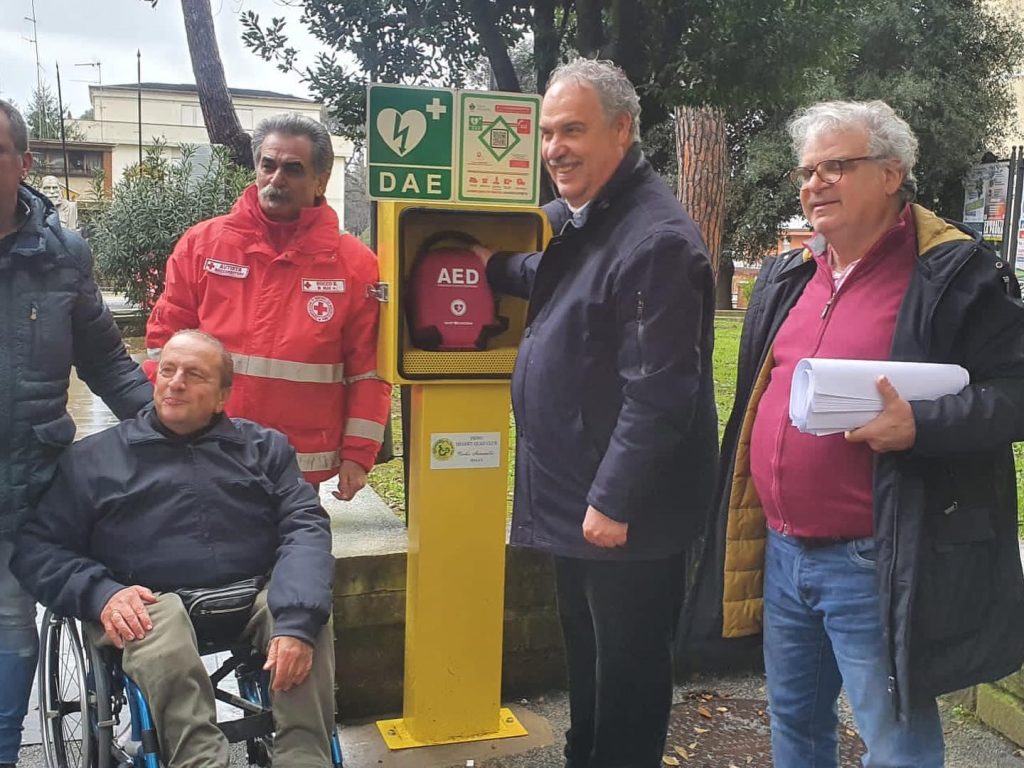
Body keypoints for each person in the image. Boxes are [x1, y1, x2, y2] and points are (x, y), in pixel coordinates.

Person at [686, 100, 1024, 767]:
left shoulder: (953, 274)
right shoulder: (790, 275)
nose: (815, 184)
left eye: (836, 166)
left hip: (877, 557)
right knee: (795, 727)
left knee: (896, 745)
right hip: (783, 553)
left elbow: (1014, 393)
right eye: (808, 171)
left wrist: (921, 424)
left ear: (892, 173)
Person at [475, 59, 718, 767]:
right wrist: (489, 266)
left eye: (573, 130)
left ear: (622, 129)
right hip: (579, 503)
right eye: (547, 133)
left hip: (624, 520)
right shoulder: (593, 221)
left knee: (629, 685)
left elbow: (660, 389)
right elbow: (564, 281)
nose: (555, 148)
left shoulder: (655, 240)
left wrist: (612, 501)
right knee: (586, 667)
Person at [12, 330, 337, 768]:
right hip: (148, 600)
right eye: (167, 370)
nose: (175, 382)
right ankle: (199, 760)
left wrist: (297, 621)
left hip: (251, 592)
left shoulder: (264, 449)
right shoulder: (93, 461)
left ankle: (305, 759)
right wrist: (101, 593)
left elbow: (306, 528)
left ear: (223, 396)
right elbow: (38, 547)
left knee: (302, 612)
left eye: (194, 374)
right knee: (153, 619)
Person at [0, 98, 151, 768]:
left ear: (24, 163)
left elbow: (107, 362)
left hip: (31, 483)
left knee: (12, 628)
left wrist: (173, 432)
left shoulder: (61, 256)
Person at [146, 112, 391, 498]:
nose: (277, 179)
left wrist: (358, 455)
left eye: (293, 169)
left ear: (320, 181)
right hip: (205, 450)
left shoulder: (355, 264)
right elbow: (164, 345)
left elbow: (368, 371)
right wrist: (156, 424)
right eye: (268, 165)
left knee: (297, 557)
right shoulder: (202, 245)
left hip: (298, 467)